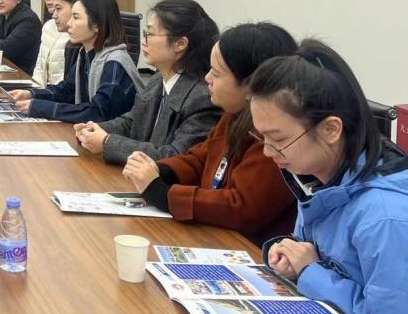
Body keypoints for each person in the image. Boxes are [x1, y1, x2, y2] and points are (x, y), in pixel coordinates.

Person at [250, 41, 408, 314]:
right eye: (261, 136)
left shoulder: (385, 218)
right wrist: (289, 255)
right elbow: (313, 254)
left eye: (278, 139)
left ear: (331, 130)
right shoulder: (318, 178)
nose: (267, 152)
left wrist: (311, 273)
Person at [121, 22, 297, 244]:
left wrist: (164, 195)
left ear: (251, 84)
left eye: (216, 73)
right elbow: (201, 158)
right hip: (217, 237)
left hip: (249, 247)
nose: (207, 79)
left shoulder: (273, 134)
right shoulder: (233, 114)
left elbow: (242, 207)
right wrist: (160, 170)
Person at [76, 0, 220, 164]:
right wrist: (95, 129)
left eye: (150, 34)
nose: (143, 41)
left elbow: (174, 157)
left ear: (180, 43)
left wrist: (106, 142)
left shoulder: (203, 97)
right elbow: (132, 122)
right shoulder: (158, 78)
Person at [11, 0, 139, 122]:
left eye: (76, 17)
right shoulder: (85, 54)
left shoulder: (115, 63)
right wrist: (31, 94)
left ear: (97, 25)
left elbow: (98, 112)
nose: (69, 23)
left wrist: (42, 108)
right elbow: (66, 91)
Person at [31, 0, 83, 87]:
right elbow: (39, 68)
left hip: (58, 93)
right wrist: (34, 91)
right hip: (47, 92)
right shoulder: (48, 26)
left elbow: (68, 87)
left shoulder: (78, 34)